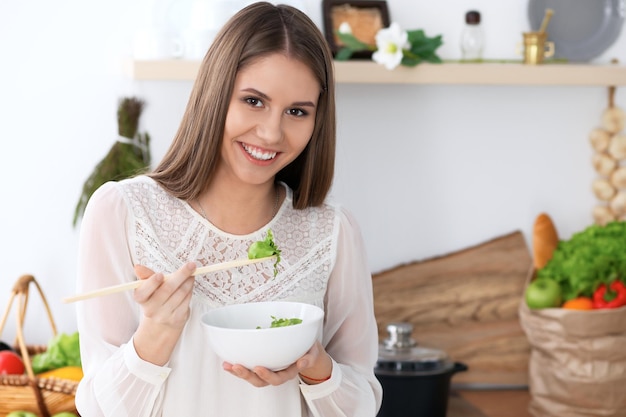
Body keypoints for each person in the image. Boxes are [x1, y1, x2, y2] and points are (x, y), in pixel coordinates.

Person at [74, 2, 382, 416]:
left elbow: (361, 404)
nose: (272, 132)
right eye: (254, 101)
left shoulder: (331, 232)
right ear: (216, 93)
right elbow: (97, 409)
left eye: (296, 112)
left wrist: (313, 366)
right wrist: (157, 334)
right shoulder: (122, 212)